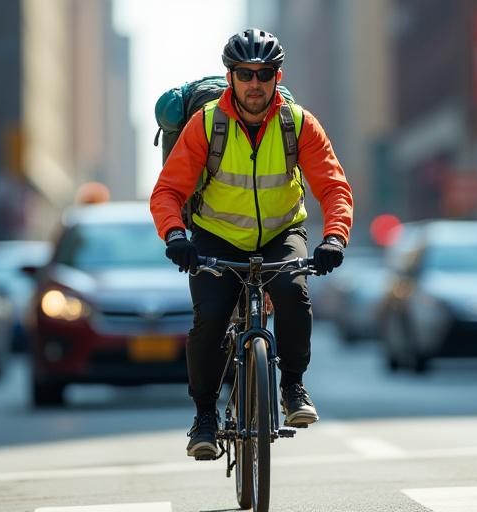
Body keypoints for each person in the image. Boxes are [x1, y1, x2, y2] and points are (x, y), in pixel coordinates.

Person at [150, 28, 354, 459]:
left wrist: (334, 237)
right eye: (245, 74)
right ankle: (204, 417)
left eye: (264, 74)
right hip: (217, 237)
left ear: (277, 77)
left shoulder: (298, 124)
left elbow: (333, 187)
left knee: (294, 294)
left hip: (282, 233)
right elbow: (168, 191)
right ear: (231, 77)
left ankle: (292, 386)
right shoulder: (206, 125)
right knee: (210, 318)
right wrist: (175, 235)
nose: (255, 83)